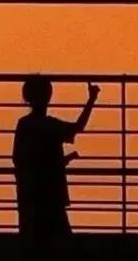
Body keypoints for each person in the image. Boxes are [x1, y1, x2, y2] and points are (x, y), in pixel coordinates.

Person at [12, 76, 100, 239]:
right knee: (61, 241)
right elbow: (77, 127)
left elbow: (18, 159)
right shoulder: (51, 125)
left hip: (29, 196)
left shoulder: (24, 125)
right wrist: (92, 100)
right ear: (48, 96)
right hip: (52, 196)